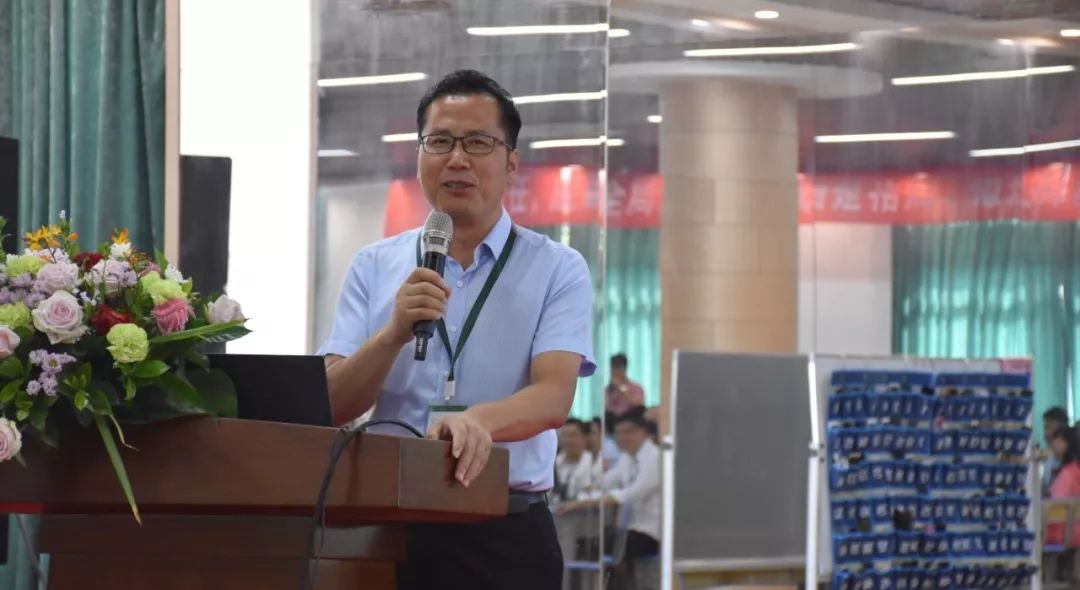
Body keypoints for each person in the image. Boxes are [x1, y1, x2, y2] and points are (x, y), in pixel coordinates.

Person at [320, 69, 596, 590]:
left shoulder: (557, 268)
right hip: (385, 527)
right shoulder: (374, 265)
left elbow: (553, 397)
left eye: (478, 142)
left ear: (511, 161)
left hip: (505, 531)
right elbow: (332, 403)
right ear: (419, 154)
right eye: (440, 141)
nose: (457, 158)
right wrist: (392, 334)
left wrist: (477, 421)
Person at [558, 413, 661, 588]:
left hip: (650, 532)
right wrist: (587, 489)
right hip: (630, 529)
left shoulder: (654, 457)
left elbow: (632, 492)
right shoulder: (627, 457)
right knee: (585, 544)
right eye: (619, 432)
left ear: (644, 432)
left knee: (607, 550)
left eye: (629, 432)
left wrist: (582, 503)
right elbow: (607, 481)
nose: (624, 437)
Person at [554, 418, 595, 502]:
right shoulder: (555, 463)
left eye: (574, 435)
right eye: (565, 435)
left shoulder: (593, 462)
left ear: (584, 438)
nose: (569, 440)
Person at [605, 353, 645, 419]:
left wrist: (621, 387)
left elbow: (639, 406)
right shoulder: (607, 389)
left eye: (618, 367)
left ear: (624, 368)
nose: (615, 371)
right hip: (612, 421)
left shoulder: (636, 388)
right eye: (613, 368)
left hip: (630, 420)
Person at [1044, 407, 1070, 495]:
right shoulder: (1048, 459)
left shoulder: (1072, 461)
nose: (1046, 433)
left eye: (1050, 428)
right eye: (1045, 428)